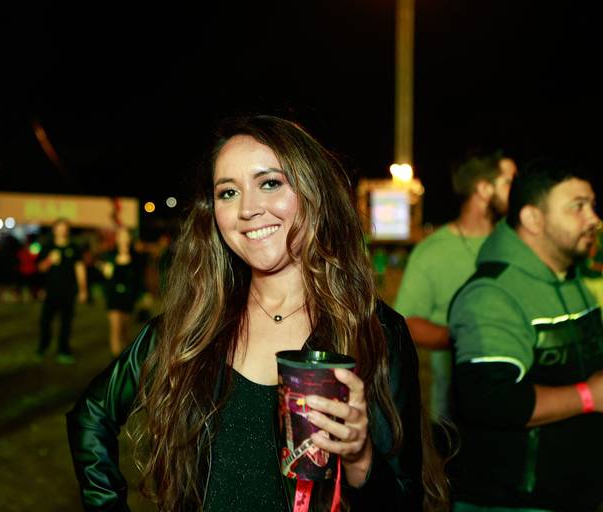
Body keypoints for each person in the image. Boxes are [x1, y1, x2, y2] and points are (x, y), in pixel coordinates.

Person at [67, 115, 448, 511]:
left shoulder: (375, 331)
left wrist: (360, 459)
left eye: (269, 183)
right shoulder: (190, 329)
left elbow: (405, 500)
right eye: (228, 192)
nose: (248, 209)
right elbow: (91, 416)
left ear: (315, 193)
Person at [448, 159, 603, 511]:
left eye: (592, 205)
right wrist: (588, 396)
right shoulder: (492, 294)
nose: (593, 218)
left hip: (574, 496)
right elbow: (489, 398)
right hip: (510, 502)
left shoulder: (572, 281)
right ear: (533, 219)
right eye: (578, 207)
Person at [394, 152, 516, 422]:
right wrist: (464, 338)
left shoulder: (518, 245)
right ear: (483, 189)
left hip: (513, 400)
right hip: (453, 407)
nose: (517, 190)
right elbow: (406, 322)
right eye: (509, 182)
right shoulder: (432, 251)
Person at [36, 218, 87, 364]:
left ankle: (63, 350)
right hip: (51, 291)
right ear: (54, 230)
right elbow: (40, 268)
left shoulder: (74, 248)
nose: (62, 230)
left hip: (69, 291)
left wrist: (83, 289)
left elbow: (80, 269)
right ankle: (43, 347)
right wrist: (49, 260)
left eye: (65, 228)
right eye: (59, 228)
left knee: (66, 323)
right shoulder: (48, 247)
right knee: (45, 321)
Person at [98, 227, 144, 356]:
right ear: (117, 239)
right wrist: (103, 270)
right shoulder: (110, 255)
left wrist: (142, 295)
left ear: (130, 238)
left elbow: (139, 279)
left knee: (125, 330)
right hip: (113, 296)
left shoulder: (136, 257)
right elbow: (105, 276)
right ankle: (117, 359)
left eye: (126, 236)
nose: (124, 239)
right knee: (115, 329)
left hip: (129, 297)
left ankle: (127, 355)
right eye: (121, 236)